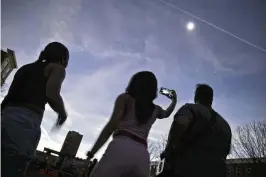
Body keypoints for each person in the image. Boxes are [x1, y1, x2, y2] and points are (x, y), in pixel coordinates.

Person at [85, 71, 177, 177]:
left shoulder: (125, 98)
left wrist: (91, 153)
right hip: (142, 154)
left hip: (120, 146)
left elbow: (111, 125)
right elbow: (166, 114)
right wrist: (174, 101)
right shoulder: (156, 109)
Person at [1, 42, 69, 177]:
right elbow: (52, 93)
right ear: (63, 59)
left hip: (5, 116)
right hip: (24, 122)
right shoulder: (57, 68)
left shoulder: (25, 68)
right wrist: (62, 113)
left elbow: (9, 96)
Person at [160, 84, 232, 177]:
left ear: (196, 96)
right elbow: (225, 152)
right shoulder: (225, 125)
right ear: (211, 99)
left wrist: (167, 151)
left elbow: (179, 126)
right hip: (218, 171)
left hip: (187, 169)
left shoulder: (190, 109)